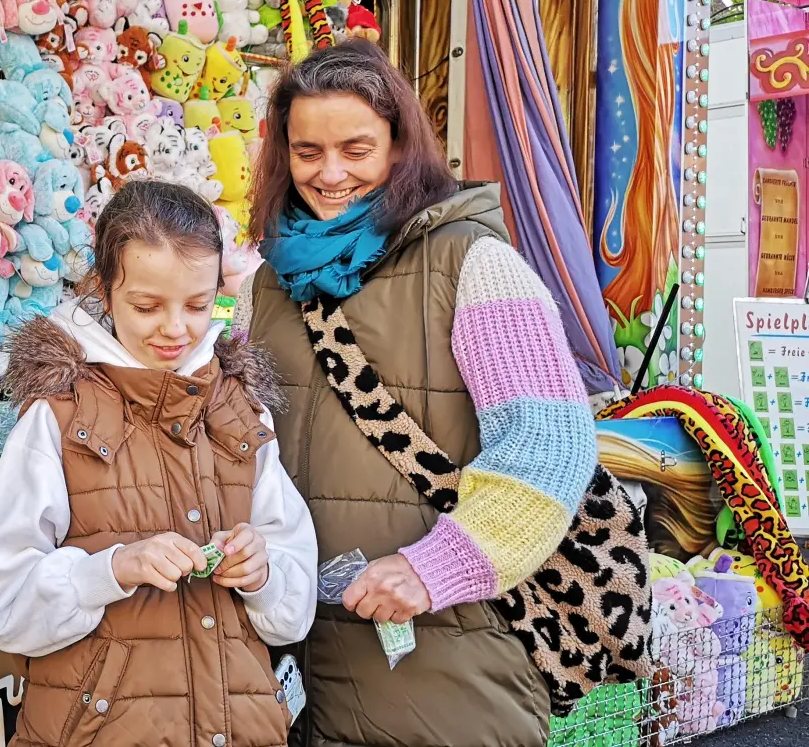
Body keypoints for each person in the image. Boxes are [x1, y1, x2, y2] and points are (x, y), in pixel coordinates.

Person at [234, 40, 598, 747]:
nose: (329, 173)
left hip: (443, 653)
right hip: (296, 653)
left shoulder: (475, 263)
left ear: (401, 148)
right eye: (307, 151)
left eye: (356, 149)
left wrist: (434, 570)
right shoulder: (267, 284)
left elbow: (550, 448)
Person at [0, 180, 318, 747]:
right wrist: (111, 569)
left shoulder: (242, 413)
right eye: (147, 307)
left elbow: (292, 613)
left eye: (198, 305)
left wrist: (264, 573)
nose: (176, 328)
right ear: (104, 292)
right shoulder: (58, 416)